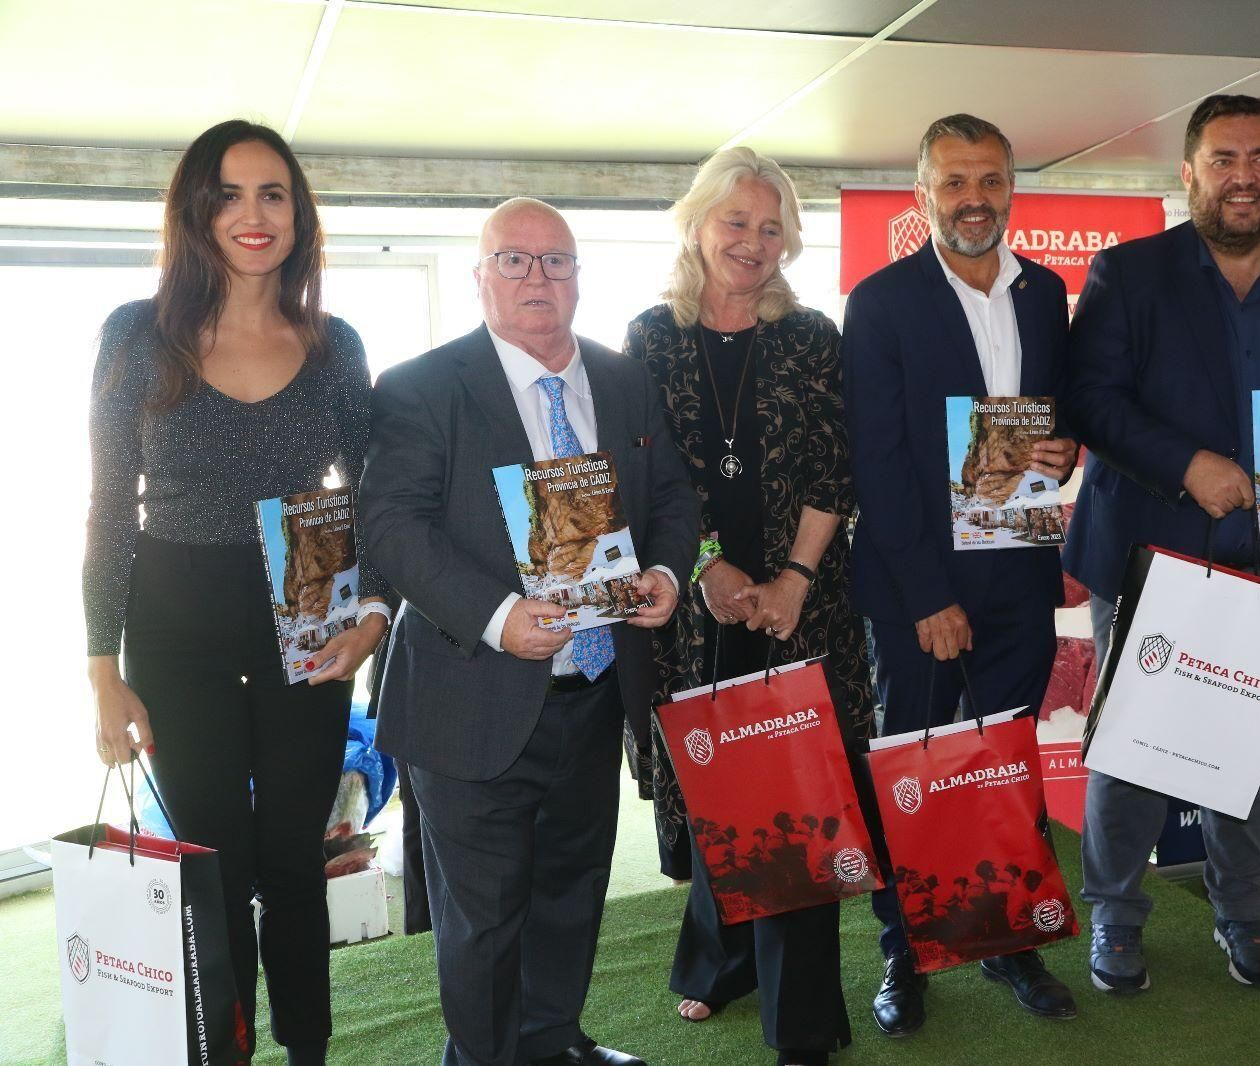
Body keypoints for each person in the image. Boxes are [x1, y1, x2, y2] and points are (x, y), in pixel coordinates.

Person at [1062, 94, 1260, 993]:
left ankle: (1244, 913)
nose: (1243, 176)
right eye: (1223, 159)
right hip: (1148, 549)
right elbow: (1090, 400)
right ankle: (1118, 919)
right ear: (1189, 173)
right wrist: (1187, 466)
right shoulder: (1128, 273)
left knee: (1247, 750)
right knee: (1133, 749)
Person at [361, 198, 698, 1066]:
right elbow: (392, 528)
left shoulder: (624, 381)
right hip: (469, 697)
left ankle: (553, 1043)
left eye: (556, 261)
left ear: (579, 277)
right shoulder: (420, 387)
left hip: (591, 693)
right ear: (481, 277)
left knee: (570, 890)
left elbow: (671, 499)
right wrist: (501, 617)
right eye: (514, 261)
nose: (537, 278)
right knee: (482, 919)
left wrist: (661, 573)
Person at [83, 119, 392, 1064]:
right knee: (212, 871)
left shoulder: (335, 345)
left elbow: (377, 492)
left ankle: (307, 1052)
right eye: (228, 194)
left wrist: (375, 613)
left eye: (273, 194)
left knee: (296, 866)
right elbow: (108, 507)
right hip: (176, 634)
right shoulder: (138, 335)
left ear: (298, 214)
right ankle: (227, 1053)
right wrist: (103, 670)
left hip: (309, 625)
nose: (252, 215)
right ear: (195, 211)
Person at [623, 146, 871, 1066]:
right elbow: (645, 478)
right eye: (737, 222)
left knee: (796, 795)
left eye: (772, 229)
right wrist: (712, 570)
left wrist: (792, 582)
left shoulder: (812, 337)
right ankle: (718, 962)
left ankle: (801, 1020)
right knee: (724, 782)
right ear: (698, 226)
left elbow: (836, 470)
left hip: (806, 600)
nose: (753, 243)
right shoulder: (650, 338)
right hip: (693, 605)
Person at [842, 114, 1079, 1036]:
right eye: (954, 182)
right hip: (920, 589)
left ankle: (1007, 939)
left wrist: (1062, 452)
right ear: (923, 194)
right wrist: (929, 598)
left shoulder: (1047, 293)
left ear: (1011, 187)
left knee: (1003, 769)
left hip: (1020, 575)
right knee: (918, 770)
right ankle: (905, 952)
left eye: (988, 179)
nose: (973, 198)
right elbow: (881, 462)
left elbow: (1049, 420)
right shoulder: (883, 300)